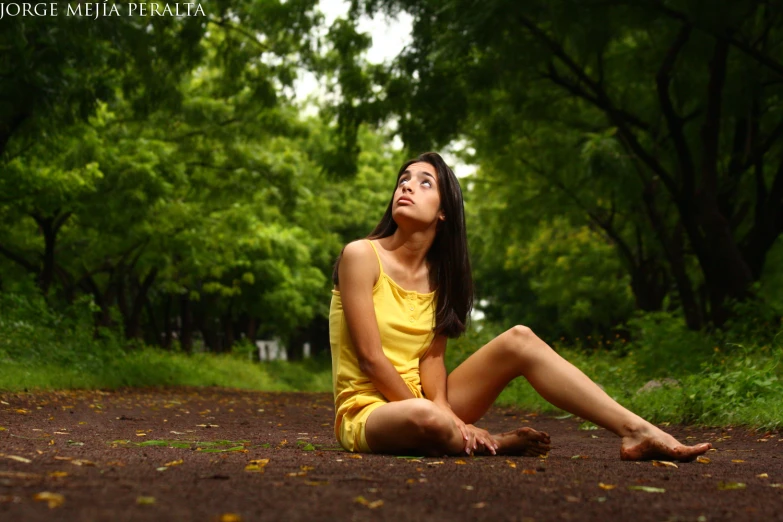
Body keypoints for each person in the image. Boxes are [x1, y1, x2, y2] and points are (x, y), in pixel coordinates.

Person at [329, 152, 711, 460]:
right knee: (425, 415)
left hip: (428, 404)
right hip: (369, 410)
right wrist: (444, 415)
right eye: (403, 181)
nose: (407, 187)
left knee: (520, 339)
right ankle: (493, 441)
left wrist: (445, 408)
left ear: (444, 212)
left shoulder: (440, 277)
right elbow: (370, 359)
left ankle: (635, 430)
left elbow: (431, 360)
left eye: (424, 182)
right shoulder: (361, 256)